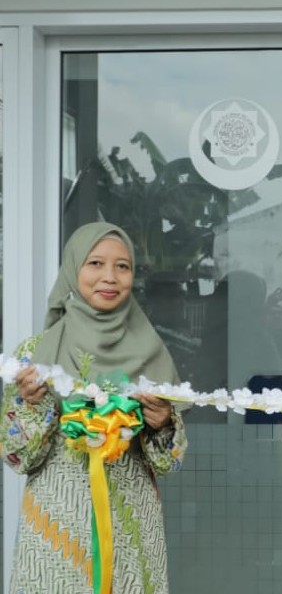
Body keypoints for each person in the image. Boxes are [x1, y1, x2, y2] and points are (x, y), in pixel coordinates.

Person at [0, 222, 187, 593]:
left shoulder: (149, 351)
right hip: (57, 526)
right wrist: (34, 406)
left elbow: (170, 462)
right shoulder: (34, 353)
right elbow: (15, 456)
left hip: (131, 522)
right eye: (95, 263)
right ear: (73, 269)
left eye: (123, 266)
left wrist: (163, 424)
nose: (110, 277)